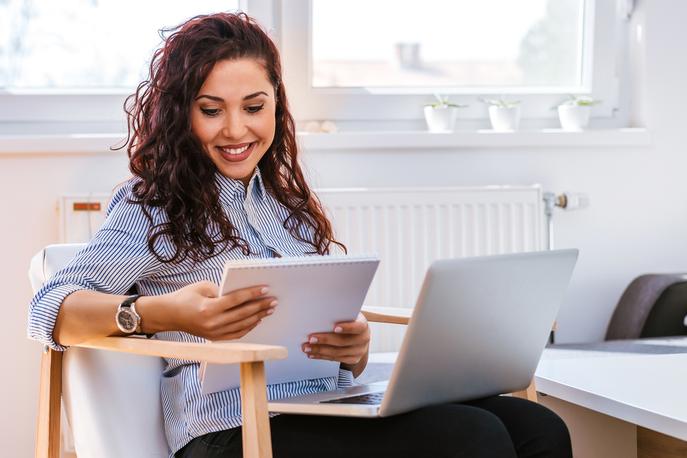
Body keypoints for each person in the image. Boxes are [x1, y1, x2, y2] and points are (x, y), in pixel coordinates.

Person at [28, 12, 572, 458]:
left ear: (277, 106)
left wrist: (352, 347)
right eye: (211, 110)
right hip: (231, 432)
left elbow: (322, 338)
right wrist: (165, 313)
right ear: (180, 115)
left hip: (324, 408)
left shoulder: (286, 211)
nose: (237, 130)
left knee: (537, 428)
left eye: (254, 107)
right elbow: (49, 308)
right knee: (472, 439)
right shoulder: (153, 205)